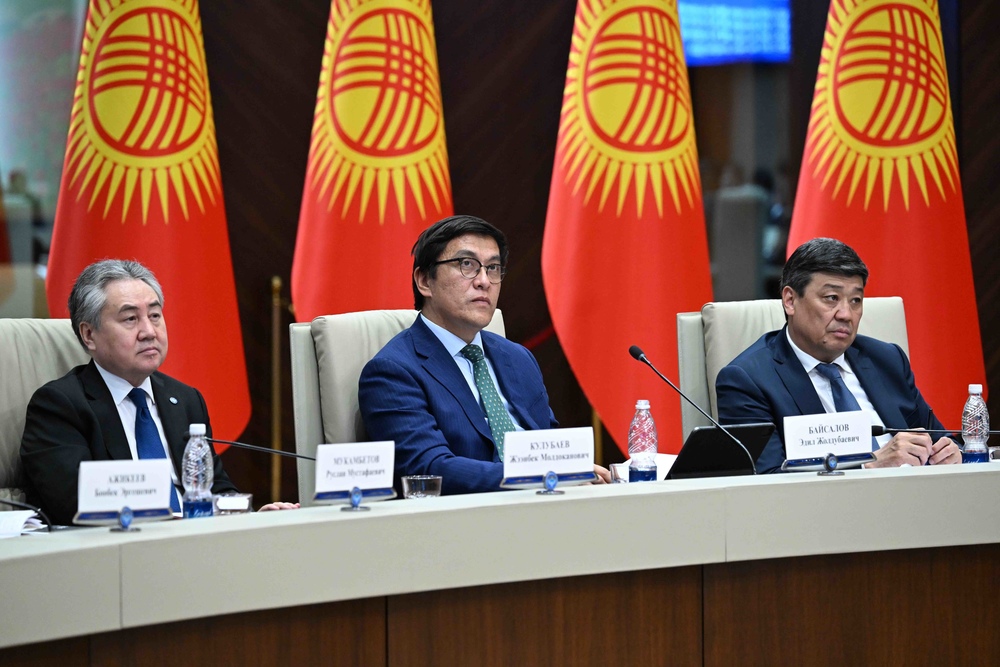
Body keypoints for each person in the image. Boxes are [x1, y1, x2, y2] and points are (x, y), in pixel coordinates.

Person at [20, 259, 297, 524]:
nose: (149, 331)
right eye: (130, 319)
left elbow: (215, 489)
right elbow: (75, 503)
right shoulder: (60, 405)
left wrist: (249, 515)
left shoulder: (185, 399)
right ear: (89, 335)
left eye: (154, 315)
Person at [359, 215, 610, 494]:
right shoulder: (392, 371)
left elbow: (549, 445)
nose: (484, 281)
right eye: (466, 265)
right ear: (424, 281)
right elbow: (428, 469)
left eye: (493, 268)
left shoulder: (519, 358)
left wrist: (571, 468)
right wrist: (538, 475)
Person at [716, 238, 962, 474]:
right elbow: (766, 480)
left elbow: (940, 440)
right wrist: (869, 466)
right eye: (831, 298)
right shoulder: (748, 380)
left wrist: (953, 453)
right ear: (790, 300)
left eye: (856, 300)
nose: (846, 314)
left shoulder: (887, 359)